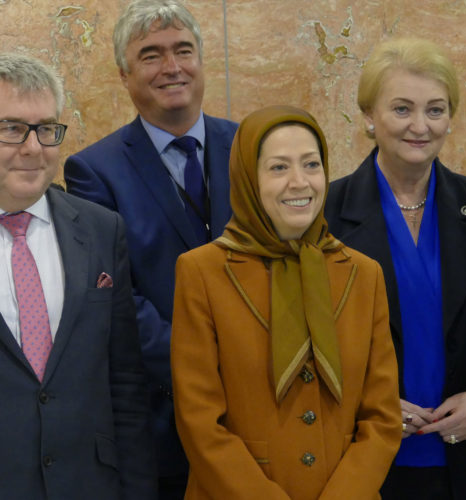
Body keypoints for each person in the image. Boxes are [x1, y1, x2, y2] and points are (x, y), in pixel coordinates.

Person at [171, 105, 401, 499]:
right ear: (247, 178)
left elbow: (382, 418)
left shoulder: (363, 274)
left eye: (311, 165)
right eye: (279, 168)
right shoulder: (202, 272)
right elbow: (199, 421)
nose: (300, 182)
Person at [64, 1, 238, 496]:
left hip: (261, 413)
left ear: (202, 61)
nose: (172, 67)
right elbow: (116, 299)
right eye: (151, 55)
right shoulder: (92, 171)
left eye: (184, 50)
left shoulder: (253, 147)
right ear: (124, 74)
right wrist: (204, 370)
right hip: (163, 423)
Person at [325, 37, 466, 499]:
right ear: (368, 116)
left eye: (435, 110)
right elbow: (298, 350)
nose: (420, 126)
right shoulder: (323, 216)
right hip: (359, 465)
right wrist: (370, 404)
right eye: (402, 109)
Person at [0, 53, 156, 499]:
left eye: (46, 129)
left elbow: (125, 382)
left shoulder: (102, 230)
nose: (33, 148)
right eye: (12, 128)